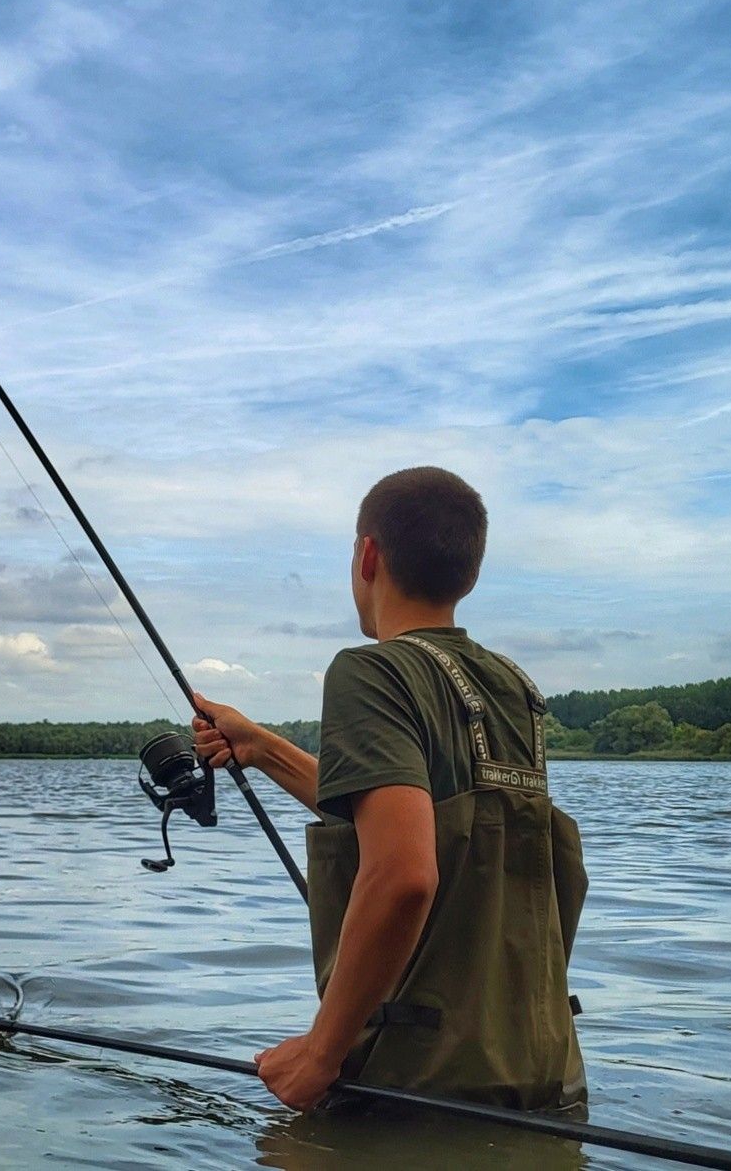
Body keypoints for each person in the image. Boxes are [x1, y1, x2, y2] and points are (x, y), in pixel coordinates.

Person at [193, 466, 587, 1113]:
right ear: (470, 570)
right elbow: (416, 820)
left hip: (420, 1087)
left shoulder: (369, 671)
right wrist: (263, 749)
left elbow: (404, 871)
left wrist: (320, 1053)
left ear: (368, 555)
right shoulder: (512, 686)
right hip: (542, 1077)